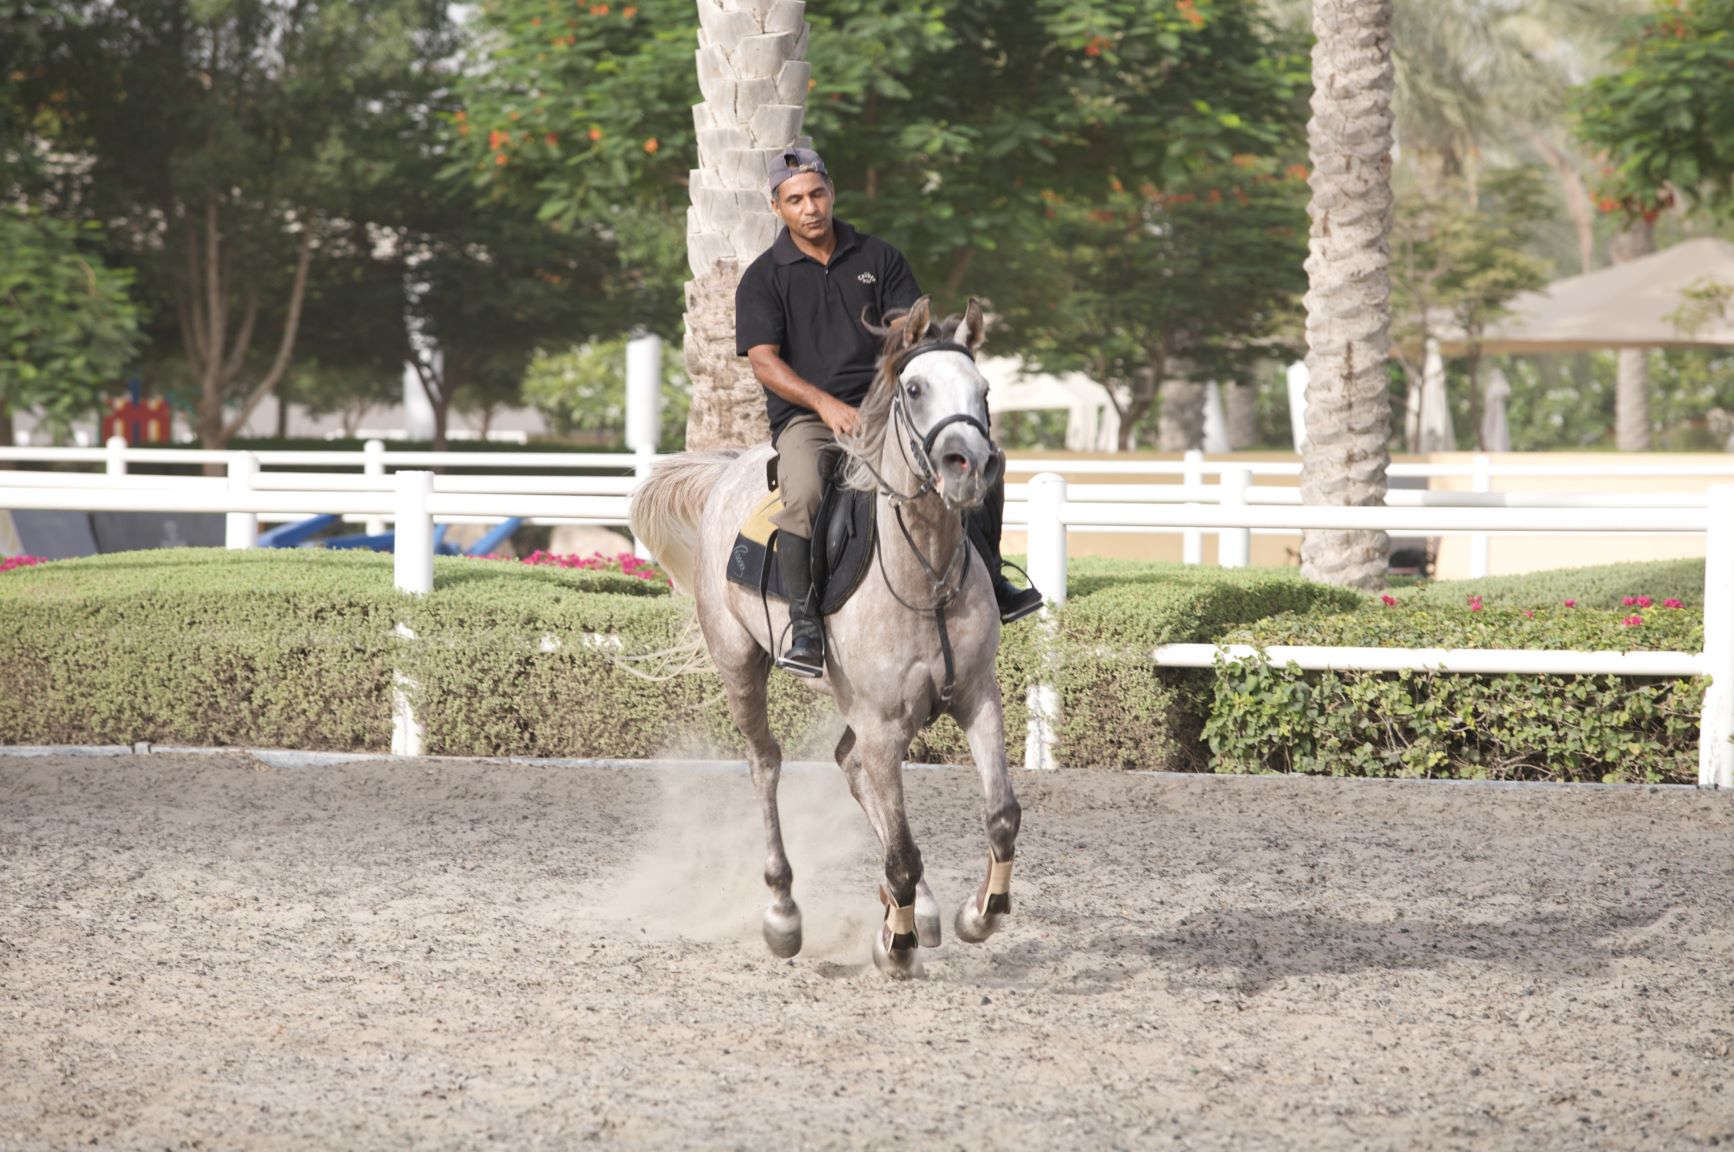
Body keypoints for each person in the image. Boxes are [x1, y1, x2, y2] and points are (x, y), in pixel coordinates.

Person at [735, 146, 1043, 677]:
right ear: (776, 207)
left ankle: (991, 576)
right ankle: (805, 624)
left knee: (982, 461)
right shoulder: (765, 277)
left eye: (816, 194)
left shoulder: (879, 258)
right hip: (809, 419)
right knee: (806, 488)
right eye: (795, 199)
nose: (809, 207)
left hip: (891, 411)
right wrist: (826, 405)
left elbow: (911, 330)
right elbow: (764, 362)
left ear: (832, 193)